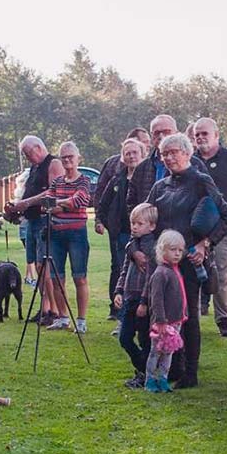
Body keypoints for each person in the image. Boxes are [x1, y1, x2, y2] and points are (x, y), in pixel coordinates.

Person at [146, 134, 227, 388]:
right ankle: (171, 366)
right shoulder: (160, 186)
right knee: (163, 314)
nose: (169, 157)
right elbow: (149, 218)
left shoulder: (201, 181)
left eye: (174, 152)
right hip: (163, 264)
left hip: (189, 261)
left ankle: (190, 372)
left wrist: (205, 243)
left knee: (188, 316)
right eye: (165, 154)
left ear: (188, 153)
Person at [193, 117, 227, 338]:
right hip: (195, 230)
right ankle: (191, 320)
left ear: (216, 134)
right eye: (197, 134)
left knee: (224, 274)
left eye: (205, 133)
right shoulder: (191, 160)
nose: (201, 138)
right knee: (194, 274)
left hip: (224, 227)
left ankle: (225, 320)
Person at [7, 136, 64, 325]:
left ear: (38, 148)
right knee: (37, 266)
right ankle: (45, 307)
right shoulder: (34, 168)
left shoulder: (53, 164)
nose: (27, 157)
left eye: (28, 153)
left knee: (44, 265)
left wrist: (27, 203)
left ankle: (53, 310)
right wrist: (16, 208)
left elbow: (53, 193)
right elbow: (29, 193)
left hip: (44, 220)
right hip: (31, 221)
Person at [44, 142, 93, 332]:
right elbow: (46, 203)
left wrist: (58, 204)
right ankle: (63, 317)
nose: (67, 160)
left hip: (76, 234)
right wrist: (63, 203)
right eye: (63, 157)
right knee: (57, 278)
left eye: (70, 156)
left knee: (79, 277)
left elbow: (81, 200)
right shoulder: (57, 182)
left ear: (78, 158)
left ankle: (81, 321)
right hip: (56, 234)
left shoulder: (84, 180)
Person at [96, 137, 145, 325]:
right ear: (122, 157)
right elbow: (103, 204)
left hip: (145, 234)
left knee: (142, 271)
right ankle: (119, 314)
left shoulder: (147, 179)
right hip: (121, 234)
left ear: (142, 154)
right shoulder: (117, 179)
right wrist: (110, 225)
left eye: (134, 152)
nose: (131, 156)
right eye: (127, 153)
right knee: (120, 270)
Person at [114, 202, 158, 388]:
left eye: (139, 224)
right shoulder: (131, 245)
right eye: (133, 223)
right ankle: (143, 368)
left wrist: (144, 301)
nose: (134, 227)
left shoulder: (152, 248)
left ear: (151, 226)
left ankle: (145, 374)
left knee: (144, 339)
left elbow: (150, 276)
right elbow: (124, 269)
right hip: (129, 297)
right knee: (124, 337)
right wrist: (119, 290)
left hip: (143, 300)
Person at [144, 229, 189, 393]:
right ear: (162, 250)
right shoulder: (161, 273)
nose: (177, 254)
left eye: (179, 250)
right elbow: (156, 300)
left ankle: (163, 378)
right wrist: (160, 321)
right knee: (155, 352)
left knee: (168, 352)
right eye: (173, 250)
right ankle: (150, 379)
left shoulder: (175, 270)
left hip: (175, 322)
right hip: (162, 323)